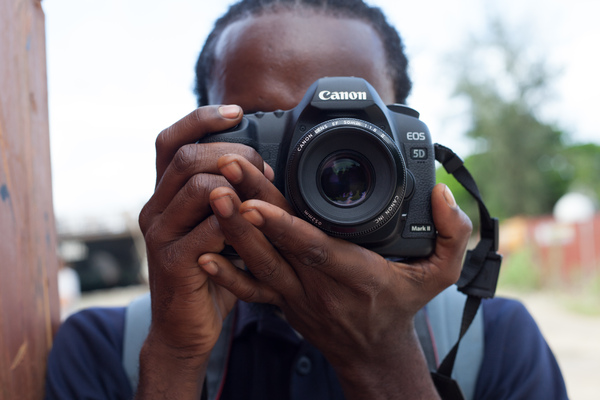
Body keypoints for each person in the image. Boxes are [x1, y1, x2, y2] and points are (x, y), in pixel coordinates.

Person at [45, 1, 568, 399]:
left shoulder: (498, 341)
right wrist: (175, 356)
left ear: (411, 145)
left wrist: (384, 359)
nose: (313, 160)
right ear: (199, 144)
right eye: (271, 131)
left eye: (356, 130)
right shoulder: (106, 349)